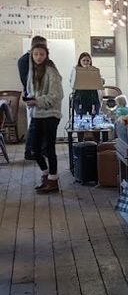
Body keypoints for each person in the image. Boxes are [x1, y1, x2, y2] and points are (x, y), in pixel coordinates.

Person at [24, 42, 63, 194]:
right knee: (33, 148)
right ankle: (46, 175)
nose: (38, 57)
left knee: (49, 148)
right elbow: (30, 91)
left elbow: (57, 95)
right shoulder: (32, 71)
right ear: (32, 55)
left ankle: (53, 181)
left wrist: (37, 101)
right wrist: (29, 99)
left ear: (46, 55)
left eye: (41, 54)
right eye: (36, 54)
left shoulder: (51, 71)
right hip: (36, 114)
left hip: (50, 114)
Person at [18, 35, 47, 160]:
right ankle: (29, 151)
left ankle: (41, 150)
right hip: (33, 95)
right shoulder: (25, 60)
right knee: (35, 124)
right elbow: (27, 81)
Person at [69, 52, 102, 118]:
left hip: (92, 97)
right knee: (80, 117)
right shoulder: (75, 70)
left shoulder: (94, 70)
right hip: (80, 97)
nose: (86, 62)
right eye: (83, 60)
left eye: (87, 60)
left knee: (95, 117)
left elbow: (100, 82)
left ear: (90, 61)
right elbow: (72, 83)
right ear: (80, 61)